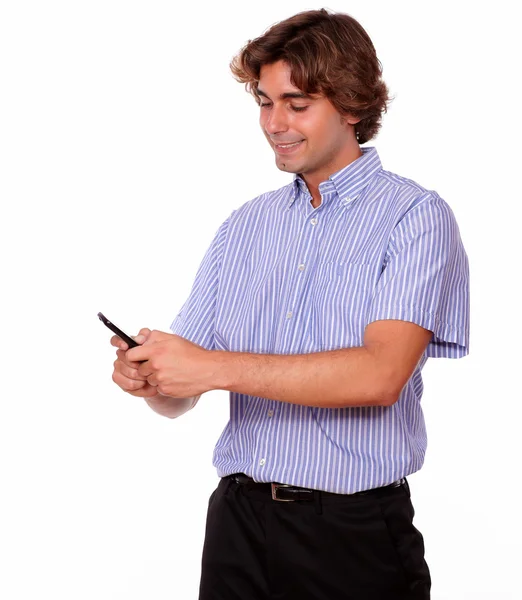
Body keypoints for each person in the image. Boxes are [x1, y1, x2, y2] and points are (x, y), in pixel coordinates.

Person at [110, 8, 469, 600]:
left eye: (297, 104)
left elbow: (382, 374)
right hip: (237, 526)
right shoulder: (245, 226)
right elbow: (183, 395)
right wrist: (155, 378)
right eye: (264, 101)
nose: (274, 123)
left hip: (351, 537)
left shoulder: (415, 218)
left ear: (353, 105)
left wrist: (211, 368)